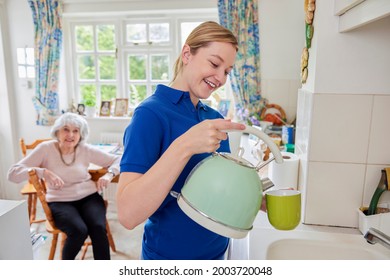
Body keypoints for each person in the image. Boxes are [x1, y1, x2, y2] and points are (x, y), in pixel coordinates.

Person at [116, 21, 245, 260]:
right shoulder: (150, 115)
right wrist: (185, 145)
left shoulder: (213, 118)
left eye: (227, 71)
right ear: (187, 54)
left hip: (218, 252)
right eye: (215, 64)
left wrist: (260, 197)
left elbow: (221, 189)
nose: (220, 78)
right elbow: (127, 214)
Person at [7, 112, 120, 260]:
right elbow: (13, 174)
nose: (70, 135)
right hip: (60, 201)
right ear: (57, 131)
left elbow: (119, 159)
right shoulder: (45, 149)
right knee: (79, 230)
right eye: (66, 129)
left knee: (98, 228)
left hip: (89, 197)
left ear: (81, 134)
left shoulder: (84, 149)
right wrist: (43, 172)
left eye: (76, 131)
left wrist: (109, 174)